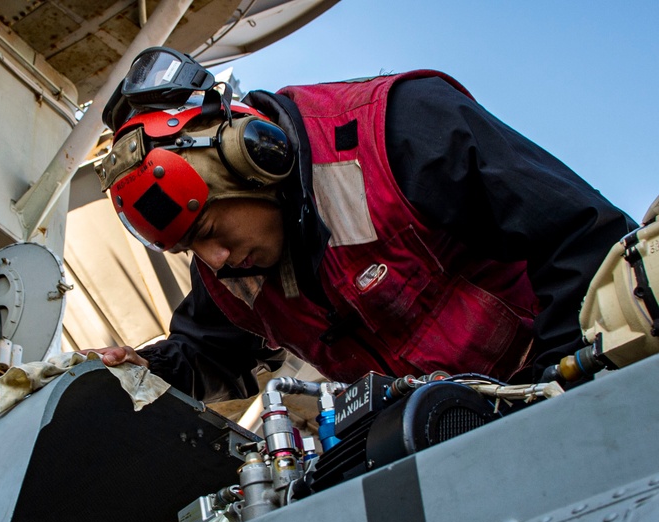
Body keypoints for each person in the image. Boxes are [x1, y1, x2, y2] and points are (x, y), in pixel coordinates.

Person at [89, 48, 633, 403]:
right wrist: (143, 370)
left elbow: (583, 235)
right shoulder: (232, 277)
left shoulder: (398, 129)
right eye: (188, 249)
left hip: (578, 385)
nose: (215, 260)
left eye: (206, 228)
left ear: (255, 156)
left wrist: (560, 389)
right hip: (445, 443)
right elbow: (206, 354)